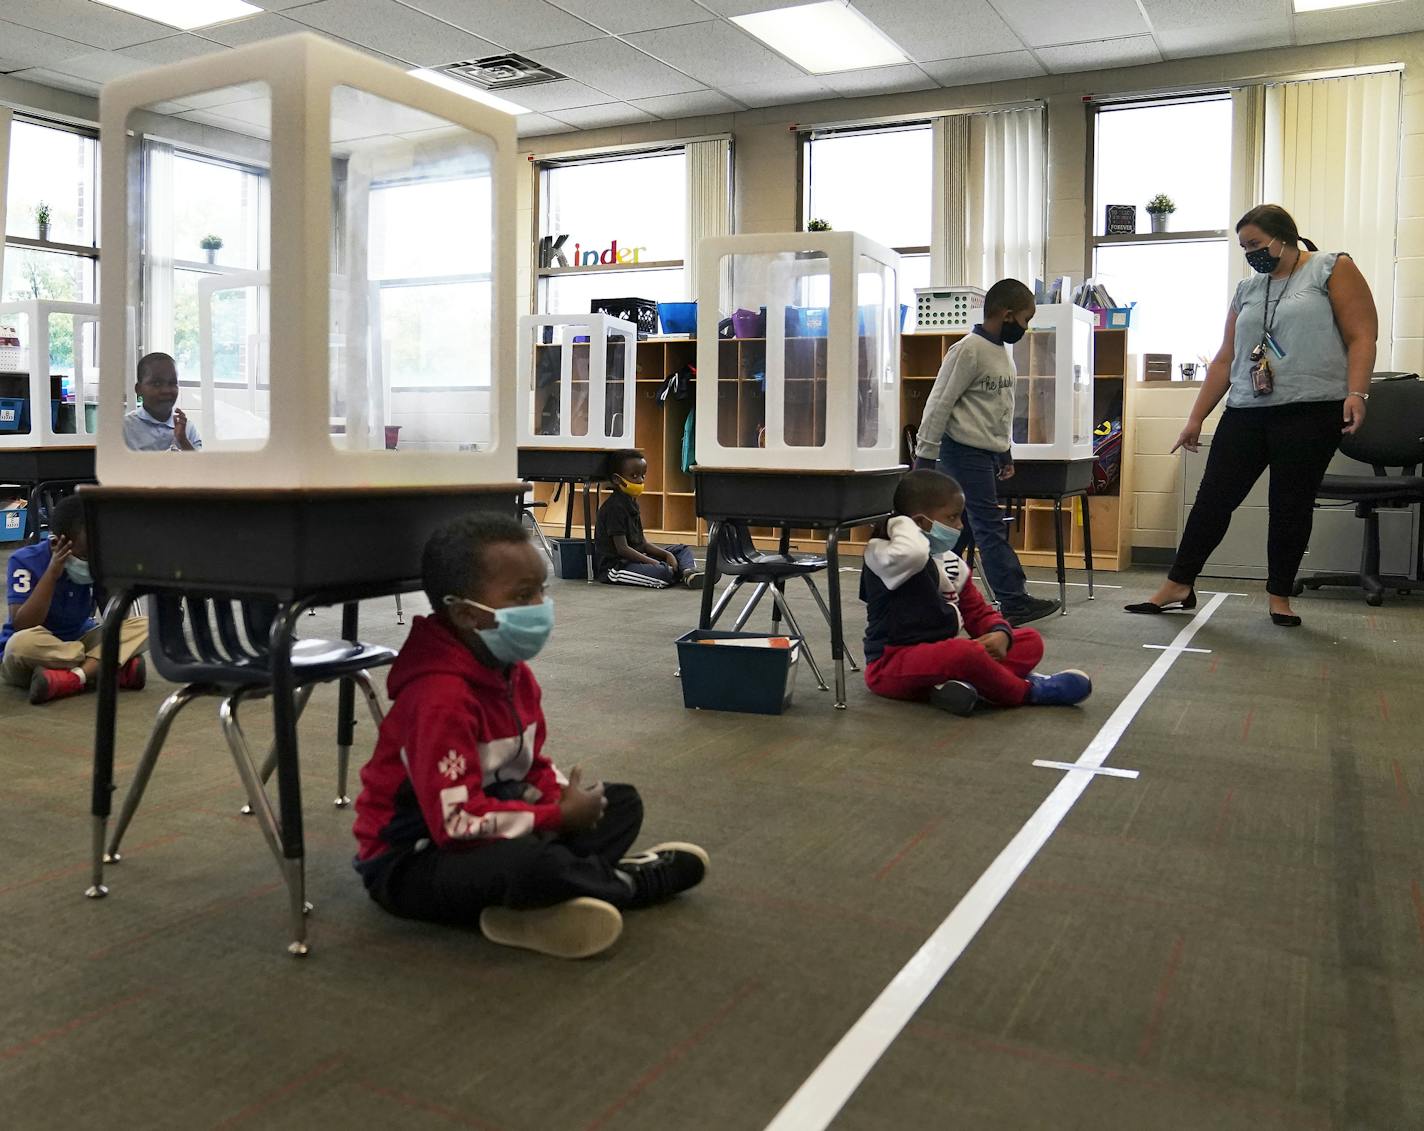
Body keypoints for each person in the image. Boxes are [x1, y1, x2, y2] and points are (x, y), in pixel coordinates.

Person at [352, 512, 708, 959]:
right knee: (532, 862)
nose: (541, 605)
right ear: (465, 613)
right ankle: (624, 884)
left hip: (497, 818)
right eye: (523, 596)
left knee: (620, 804)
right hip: (412, 859)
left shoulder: (512, 673)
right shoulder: (438, 699)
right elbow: (456, 825)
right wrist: (557, 819)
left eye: (541, 590)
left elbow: (531, 765)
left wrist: (560, 799)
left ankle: (566, 885)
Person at [1126, 204, 1378, 627]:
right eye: (1244, 246)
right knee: (1213, 498)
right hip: (1246, 408)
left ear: (1285, 236)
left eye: (1256, 243)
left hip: (1311, 409)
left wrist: (1357, 392)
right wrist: (1195, 418)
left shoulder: (1331, 267)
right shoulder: (1247, 290)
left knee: (1289, 504)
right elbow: (1226, 359)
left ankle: (1279, 595)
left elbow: (1361, 335)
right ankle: (1178, 584)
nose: (1251, 253)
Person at [861, 469, 1092, 714]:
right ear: (917, 523)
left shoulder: (949, 562)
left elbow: (977, 611)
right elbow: (915, 553)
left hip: (938, 656)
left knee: (1029, 640)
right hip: (890, 665)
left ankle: (963, 685)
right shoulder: (884, 554)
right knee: (964, 654)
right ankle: (1026, 691)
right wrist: (900, 522)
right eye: (952, 518)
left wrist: (1000, 633)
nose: (960, 525)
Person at [913, 278, 1058, 626]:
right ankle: (1014, 600)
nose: (1026, 327)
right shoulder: (967, 350)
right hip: (961, 452)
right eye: (1025, 319)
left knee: (961, 531)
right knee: (988, 526)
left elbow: (999, 408)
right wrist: (924, 457)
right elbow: (938, 405)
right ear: (1007, 315)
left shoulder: (1001, 355)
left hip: (983, 453)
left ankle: (929, 593)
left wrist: (1004, 451)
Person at [1, 495, 148, 704]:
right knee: (19, 645)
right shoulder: (24, 561)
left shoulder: (97, 562)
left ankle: (74, 677)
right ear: (56, 543)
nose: (89, 560)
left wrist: (113, 579)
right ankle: (103, 666)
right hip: (39, 648)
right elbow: (22, 624)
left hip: (77, 638)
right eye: (84, 556)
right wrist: (52, 574)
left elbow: (117, 620)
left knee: (145, 625)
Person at [594, 449, 702, 589]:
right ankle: (679, 573)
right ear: (617, 479)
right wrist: (653, 563)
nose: (640, 480)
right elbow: (623, 549)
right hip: (617, 567)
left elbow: (643, 544)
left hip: (637, 558)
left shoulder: (631, 503)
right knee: (663, 573)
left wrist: (667, 554)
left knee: (681, 550)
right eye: (634, 476)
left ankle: (687, 572)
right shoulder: (614, 508)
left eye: (643, 476)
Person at [123, 352, 203, 452]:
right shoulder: (124, 429)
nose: (166, 390)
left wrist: (183, 441)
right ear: (139, 389)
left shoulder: (187, 428)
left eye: (172, 383)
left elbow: (200, 466)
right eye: (157, 384)